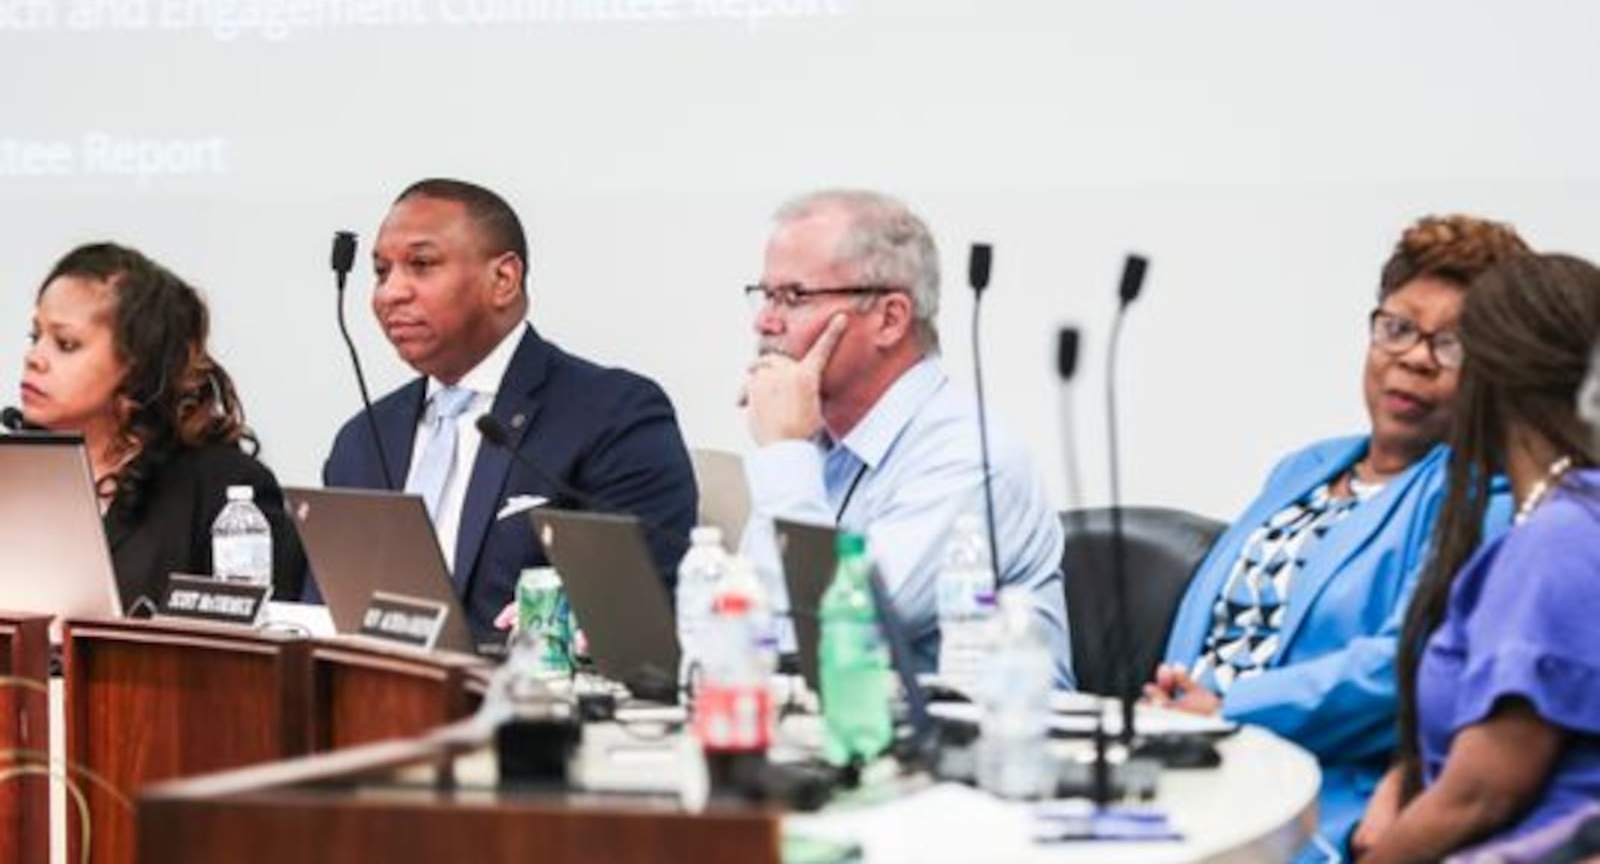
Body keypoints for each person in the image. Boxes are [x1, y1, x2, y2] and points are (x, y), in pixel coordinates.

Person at [1146, 215, 1527, 855]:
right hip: (1178, 754)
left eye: (1450, 344)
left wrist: (1227, 709)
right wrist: (1171, 706)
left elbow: (1401, 664)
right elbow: (1213, 620)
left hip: (1310, 791)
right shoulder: (1302, 468)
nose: (1412, 357)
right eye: (1398, 328)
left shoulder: (1479, 496)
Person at [323, 178, 697, 643]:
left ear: (503, 280)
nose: (389, 293)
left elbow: (636, 621)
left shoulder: (614, 416)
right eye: (381, 271)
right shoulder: (361, 440)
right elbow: (318, 616)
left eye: (421, 265)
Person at [737, 189, 1072, 686]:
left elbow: (834, 637)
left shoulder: (969, 458)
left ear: (890, 319)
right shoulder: (818, 447)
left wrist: (784, 453)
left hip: (991, 750)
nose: (764, 321)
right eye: (766, 295)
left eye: (794, 297)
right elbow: (756, 630)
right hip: (858, 741)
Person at [1353, 253, 1600, 862]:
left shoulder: (1557, 540)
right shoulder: (1565, 518)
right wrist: (1402, 775)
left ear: (1490, 377)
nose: (1423, 365)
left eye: (1454, 350)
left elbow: (1480, 795)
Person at [19, 242, 307, 609]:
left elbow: (258, 646)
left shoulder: (223, 488)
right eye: (34, 336)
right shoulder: (17, 473)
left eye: (66, 343)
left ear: (137, 364)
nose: (34, 358)